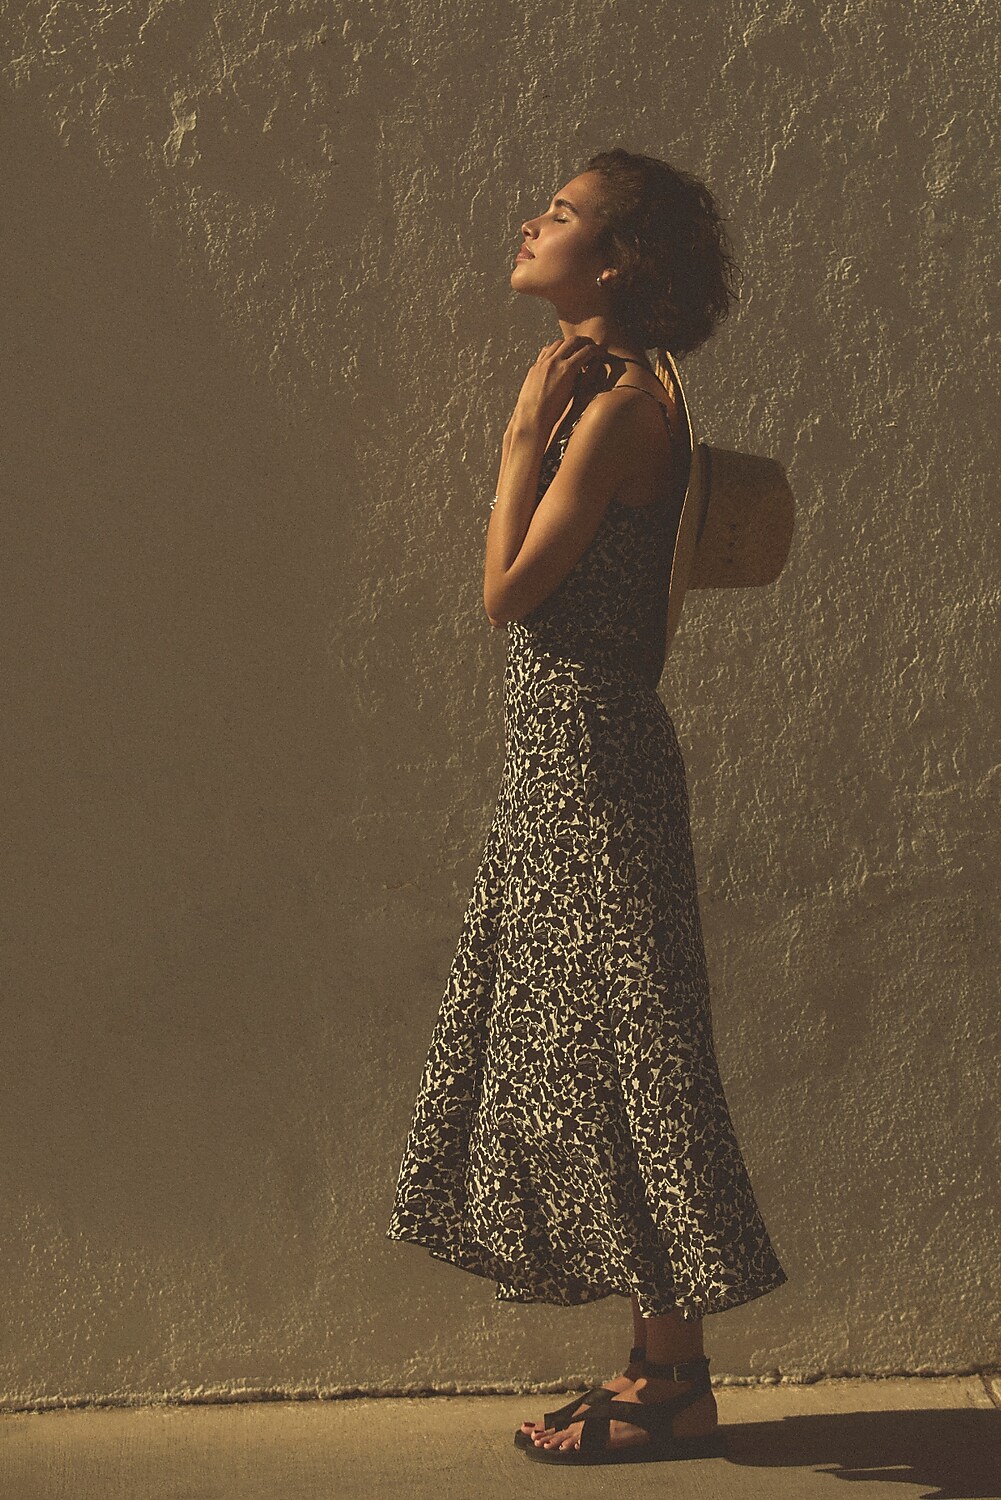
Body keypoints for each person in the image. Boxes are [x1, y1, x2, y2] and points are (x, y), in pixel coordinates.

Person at [386, 148, 787, 1466]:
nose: (528, 224)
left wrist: (515, 436)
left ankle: (676, 1381)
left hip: (590, 767)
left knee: (627, 1060)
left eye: (556, 216)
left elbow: (512, 592)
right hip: (573, 763)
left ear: (614, 262)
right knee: (608, 1063)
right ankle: (661, 1366)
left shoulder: (612, 406)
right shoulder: (632, 385)